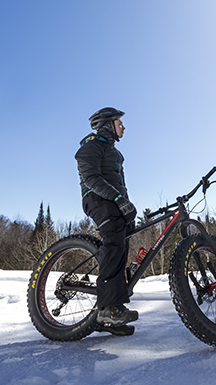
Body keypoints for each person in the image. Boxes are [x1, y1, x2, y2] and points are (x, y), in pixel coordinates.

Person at [75, 107, 139, 327]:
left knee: (123, 242)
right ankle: (107, 309)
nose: (123, 127)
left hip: (113, 200)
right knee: (113, 239)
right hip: (97, 199)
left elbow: (121, 184)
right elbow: (92, 179)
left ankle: (114, 313)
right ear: (107, 124)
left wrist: (127, 206)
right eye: (119, 123)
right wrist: (118, 199)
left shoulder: (116, 154)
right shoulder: (90, 147)